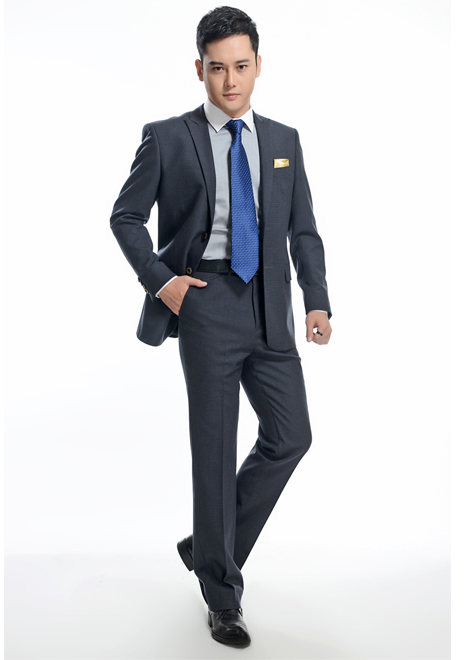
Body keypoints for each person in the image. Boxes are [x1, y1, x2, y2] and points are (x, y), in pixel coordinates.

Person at [110, 6, 332, 648]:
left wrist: (316, 300)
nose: (229, 81)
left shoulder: (285, 140)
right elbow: (125, 217)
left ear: (258, 65)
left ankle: (207, 546)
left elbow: (304, 230)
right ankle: (223, 597)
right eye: (216, 68)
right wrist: (164, 281)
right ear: (199, 69)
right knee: (214, 450)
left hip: (270, 306)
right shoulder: (168, 137)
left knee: (291, 436)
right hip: (205, 302)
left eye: (240, 66)